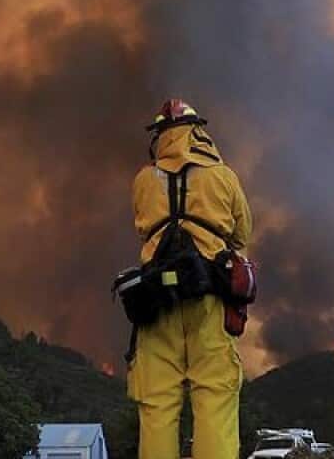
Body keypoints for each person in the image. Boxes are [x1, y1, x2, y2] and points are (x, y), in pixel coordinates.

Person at [128, 99, 252, 459]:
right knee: (214, 396)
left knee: (157, 404)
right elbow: (242, 235)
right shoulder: (222, 176)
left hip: (155, 305)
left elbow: (142, 230)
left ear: (159, 137)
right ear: (198, 131)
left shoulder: (142, 180)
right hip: (210, 303)